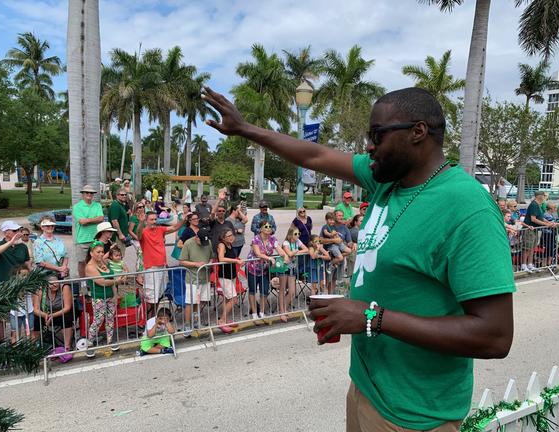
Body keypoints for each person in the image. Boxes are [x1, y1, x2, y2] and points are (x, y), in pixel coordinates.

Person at [202, 84, 515, 431]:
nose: (368, 146)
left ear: (418, 132)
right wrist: (245, 129)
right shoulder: (388, 180)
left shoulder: (466, 207)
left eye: (377, 135)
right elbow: (314, 157)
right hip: (366, 389)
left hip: (415, 415)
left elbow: (495, 336)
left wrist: (371, 318)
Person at [137, 211, 189, 318]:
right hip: (151, 268)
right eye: (151, 219)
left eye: (155, 219)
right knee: (151, 298)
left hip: (162, 266)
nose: (154, 221)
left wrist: (184, 220)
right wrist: (141, 222)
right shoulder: (144, 231)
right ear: (146, 220)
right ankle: (149, 324)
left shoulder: (159, 229)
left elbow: (174, 228)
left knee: (159, 296)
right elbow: (138, 234)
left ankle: (154, 321)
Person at [0, 220, 32, 341]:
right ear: (6, 232)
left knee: (20, 313)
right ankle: (2, 341)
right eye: (14, 231)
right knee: (0, 315)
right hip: (3, 285)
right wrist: (10, 243)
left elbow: (27, 265)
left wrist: (32, 279)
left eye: (18, 230)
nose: (17, 233)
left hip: (20, 286)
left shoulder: (22, 247)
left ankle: (22, 340)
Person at [85, 240, 124, 356]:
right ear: (91, 253)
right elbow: (102, 282)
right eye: (98, 252)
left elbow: (111, 279)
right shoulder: (89, 267)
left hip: (110, 296)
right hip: (99, 297)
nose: (101, 254)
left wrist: (115, 295)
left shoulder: (103, 263)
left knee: (110, 319)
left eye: (102, 252)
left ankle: (110, 340)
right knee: (98, 320)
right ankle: (90, 344)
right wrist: (116, 281)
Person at [245, 220, 287, 324]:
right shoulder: (256, 239)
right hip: (253, 267)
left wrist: (285, 255)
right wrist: (270, 259)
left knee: (264, 290)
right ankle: (254, 314)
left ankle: (262, 312)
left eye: (270, 226)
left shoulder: (273, 239)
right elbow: (258, 254)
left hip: (264, 269)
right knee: (252, 290)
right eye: (266, 226)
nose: (269, 228)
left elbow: (279, 249)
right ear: (261, 229)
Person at [178, 228, 213, 337]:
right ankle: (187, 324)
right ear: (196, 237)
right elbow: (181, 261)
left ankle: (196, 321)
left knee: (200, 300)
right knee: (190, 302)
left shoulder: (208, 242)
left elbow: (211, 256)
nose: (203, 244)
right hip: (193, 278)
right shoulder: (188, 243)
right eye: (201, 241)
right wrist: (196, 264)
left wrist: (209, 263)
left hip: (205, 277)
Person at [33, 275, 74, 352]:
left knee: (67, 316)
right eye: (51, 284)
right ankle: (38, 346)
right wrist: (45, 315)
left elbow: (67, 308)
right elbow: (35, 309)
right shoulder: (41, 290)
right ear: (46, 285)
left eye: (56, 282)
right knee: (35, 318)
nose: (55, 285)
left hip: (59, 314)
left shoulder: (64, 288)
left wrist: (52, 316)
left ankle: (67, 346)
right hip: (45, 315)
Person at [73, 185, 105, 282]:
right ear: (83, 194)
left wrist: (87, 220)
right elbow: (82, 222)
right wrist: (94, 220)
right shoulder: (77, 206)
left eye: (91, 193)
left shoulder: (97, 205)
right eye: (87, 192)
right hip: (82, 239)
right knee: (82, 262)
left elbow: (101, 219)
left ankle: (96, 282)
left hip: (95, 239)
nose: (89, 194)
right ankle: (83, 285)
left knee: (97, 261)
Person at [279, 225, 310, 322]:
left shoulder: (298, 241)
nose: (297, 235)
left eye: (298, 234)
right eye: (295, 234)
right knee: (282, 289)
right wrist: (296, 251)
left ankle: (286, 307)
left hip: (292, 268)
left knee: (292, 291)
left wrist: (294, 253)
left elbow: (307, 249)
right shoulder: (286, 242)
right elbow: (289, 253)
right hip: (284, 268)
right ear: (291, 234)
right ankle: (282, 310)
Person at [521, 191, 556, 273]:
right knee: (527, 247)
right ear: (541, 197)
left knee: (532, 247)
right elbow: (533, 219)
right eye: (544, 196)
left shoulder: (538, 205)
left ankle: (530, 264)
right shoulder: (534, 204)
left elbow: (540, 217)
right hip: (530, 229)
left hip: (535, 229)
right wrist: (545, 224)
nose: (544, 198)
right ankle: (523, 265)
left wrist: (547, 222)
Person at [216, 229, 243, 333]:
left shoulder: (229, 245)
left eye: (232, 235)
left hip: (231, 275)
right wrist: (236, 260)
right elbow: (221, 258)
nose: (231, 237)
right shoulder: (222, 245)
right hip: (224, 276)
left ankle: (226, 319)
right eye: (229, 236)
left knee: (227, 299)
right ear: (223, 238)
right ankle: (222, 321)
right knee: (233, 299)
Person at [8, 265, 34, 345]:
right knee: (15, 334)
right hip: (15, 313)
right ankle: (16, 353)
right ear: (15, 276)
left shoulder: (30, 284)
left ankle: (33, 351)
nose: (25, 277)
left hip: (28, 311)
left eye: (27, 275)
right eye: (23, 275)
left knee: (30, 332)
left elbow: (30, 289)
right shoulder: (12, 285)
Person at [108, 187, 131, 258]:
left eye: (125, 195)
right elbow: (114, 221)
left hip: (122, 235)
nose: (124, 196)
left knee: (120, 256)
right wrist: (120, 234)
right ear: (117, 196)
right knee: (117, 257)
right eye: (122, 195)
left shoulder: (121, 205)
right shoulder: (115, 205)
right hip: (117, 237)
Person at [129, 202, 147, 285]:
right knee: (141, 255)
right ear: (136, 209)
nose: (141, 208)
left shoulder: (146, 216)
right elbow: (130, 230)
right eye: (139, 207)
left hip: (145, 239)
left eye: (142, 207)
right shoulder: (134, 218)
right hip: (136, 240)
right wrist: (136, 237)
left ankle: (139, 273)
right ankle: (139, 275)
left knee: (143, 256)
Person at [346, 214, 364, 279]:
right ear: (355, 222)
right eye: (361, 221)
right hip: (354, 257)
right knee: (354, 276)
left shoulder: (361, 230)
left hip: (357, 257)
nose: (363, 222)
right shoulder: (355, 232)